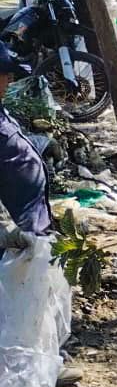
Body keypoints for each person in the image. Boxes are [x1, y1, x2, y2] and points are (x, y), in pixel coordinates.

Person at [0, 43, 50, 247]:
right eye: (4, 73)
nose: (10, 80)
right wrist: (5, 233)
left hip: (32, 234)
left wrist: (42, 143)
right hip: (14, 245)